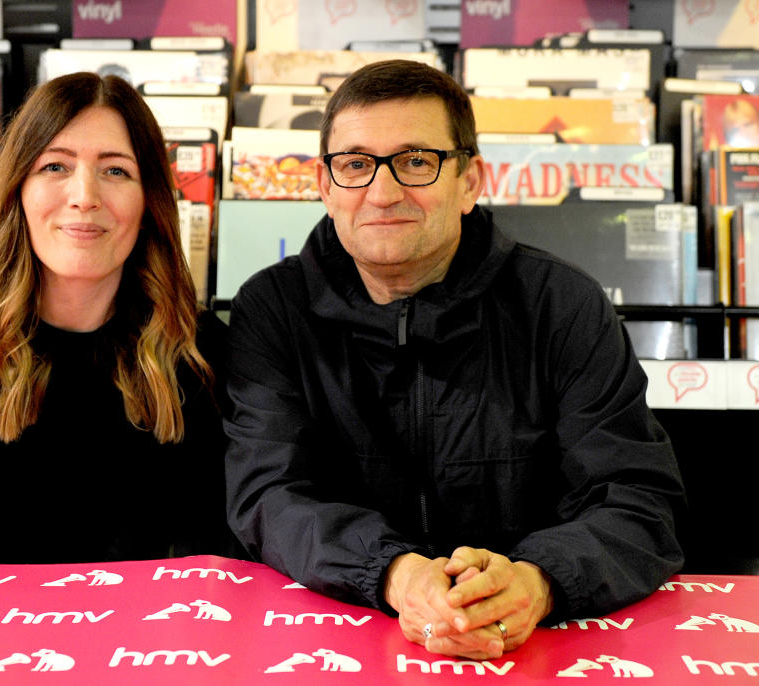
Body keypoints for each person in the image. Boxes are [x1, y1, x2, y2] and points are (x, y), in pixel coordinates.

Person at [223, 60, 685, 660]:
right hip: (337, 641)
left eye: (416, 161)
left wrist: (537, 581)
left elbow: (640, 501)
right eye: (356, 164)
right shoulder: (272, 308)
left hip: (537, 647)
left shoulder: (563, 304)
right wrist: (393, 572)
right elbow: (266, 493)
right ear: (324, 184)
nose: (383, 193)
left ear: (470, 180)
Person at [0, 71, 235, 563]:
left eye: (116, 171)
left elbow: (209, 560)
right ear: (18, 186)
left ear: (149, 203)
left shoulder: (196, 350)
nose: (85, 196)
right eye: (55, 167)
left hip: (126, 632)